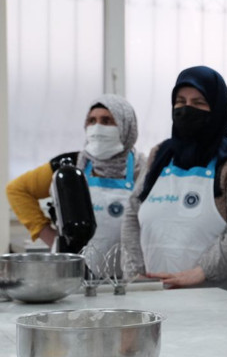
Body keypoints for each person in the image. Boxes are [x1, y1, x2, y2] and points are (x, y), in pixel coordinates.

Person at [121, 65, 227, 296]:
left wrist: (201, 272)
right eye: (180, 101)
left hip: (218, 302)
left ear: (217, 108)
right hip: (153, 297)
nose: (187, 110)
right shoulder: (160, 155)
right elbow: (131, 215)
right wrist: (136, 274)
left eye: (199, 103)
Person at [7, 94, 145, 255]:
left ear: (126, 126)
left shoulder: (142, 168)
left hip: (127, 272)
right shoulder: (67, 166)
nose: (97, 128)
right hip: (73, 270)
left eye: (106, 121)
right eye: (92, 121)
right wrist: (47, 234)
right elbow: (17, 190)